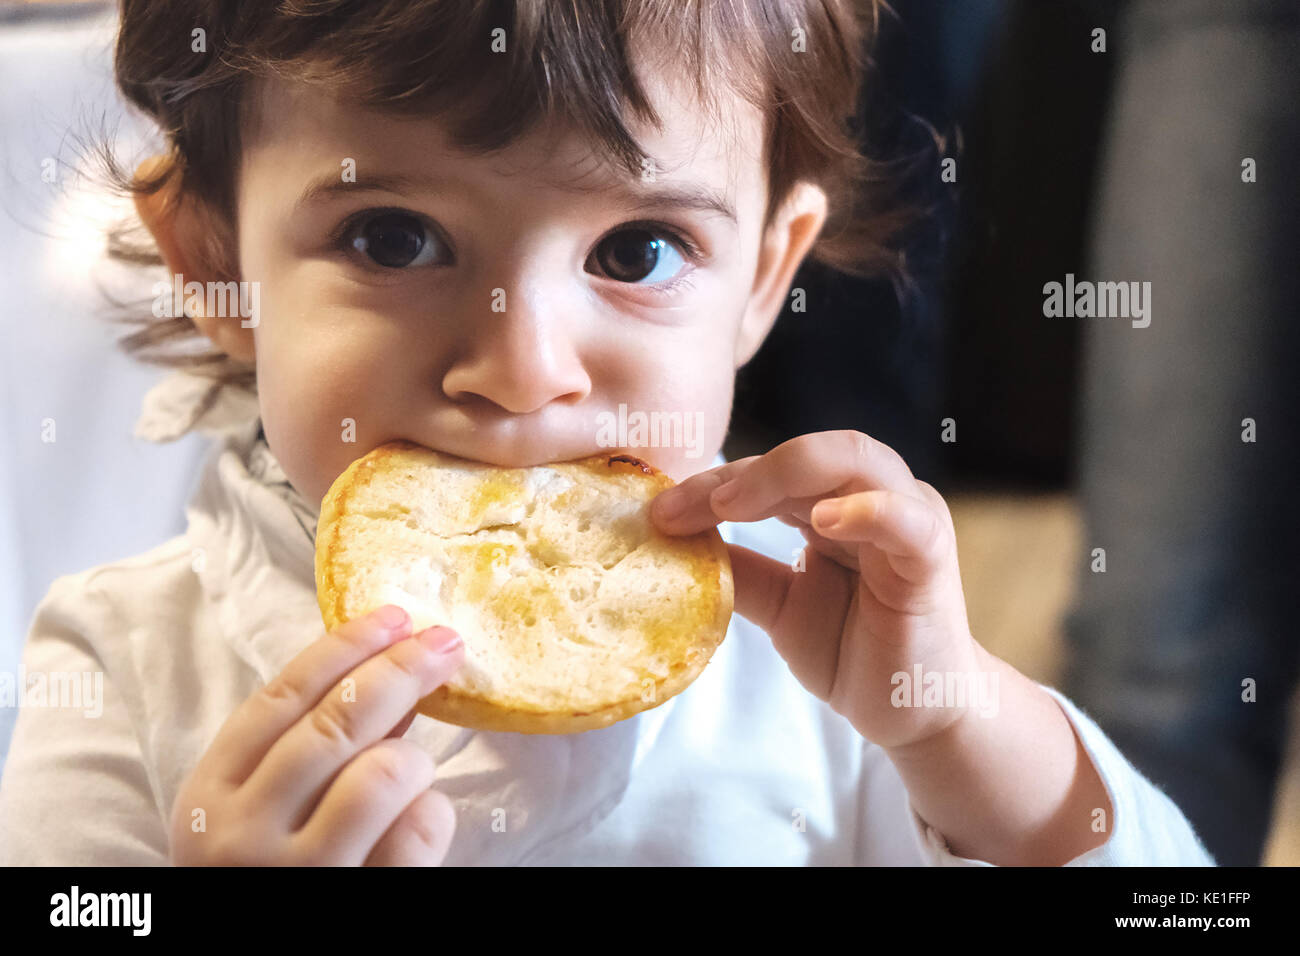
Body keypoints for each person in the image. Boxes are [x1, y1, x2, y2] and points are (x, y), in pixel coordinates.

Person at [0, 0, 1211, 866]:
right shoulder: (122, 664)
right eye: (393, 237)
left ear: (760, 278)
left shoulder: (833, 675)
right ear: (217, 271)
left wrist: (967, 733)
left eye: (636, 251)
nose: (524, 371)